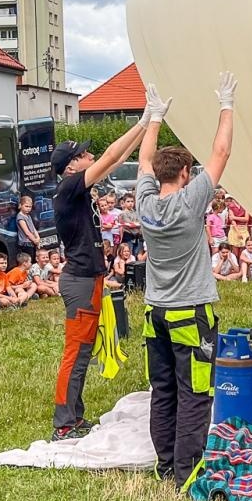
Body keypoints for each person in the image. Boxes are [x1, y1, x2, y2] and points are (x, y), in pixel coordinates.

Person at [137, 74, 236, 486]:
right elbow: (222, 151)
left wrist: (154, 118)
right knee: (195, 393)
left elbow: (144, 161)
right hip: (190, 314)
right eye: (190, 170)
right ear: (182, 173)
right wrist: (227, 104)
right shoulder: (189, 201)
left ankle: (165, 466)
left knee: (163, 392)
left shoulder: (144, 202)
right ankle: (187, 473)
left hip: (154, 312)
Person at [48, 118, 149, 441]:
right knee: (75, 354)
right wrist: (144, 120)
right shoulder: (68, 188)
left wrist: (145, 128)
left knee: (83, 354)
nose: (90, 156)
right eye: (83, 154)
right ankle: (64, 423)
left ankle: (74, 418)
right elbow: (109, 158)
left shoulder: (78, 188)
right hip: (79, 282)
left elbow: (116, 160)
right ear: (71, 167)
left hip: (88, 279)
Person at [15, 194, 41, 262]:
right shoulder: (20, 217)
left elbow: (33, 228)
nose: (28, 208)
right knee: (28, 261)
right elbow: (27, 232)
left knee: (34, 260)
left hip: (32, 242)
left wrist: (37, 238)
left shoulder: (28, 216)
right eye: (26, 206)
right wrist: (35, 241)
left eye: (30, 207)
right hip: (26, 243)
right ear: (20, 205)